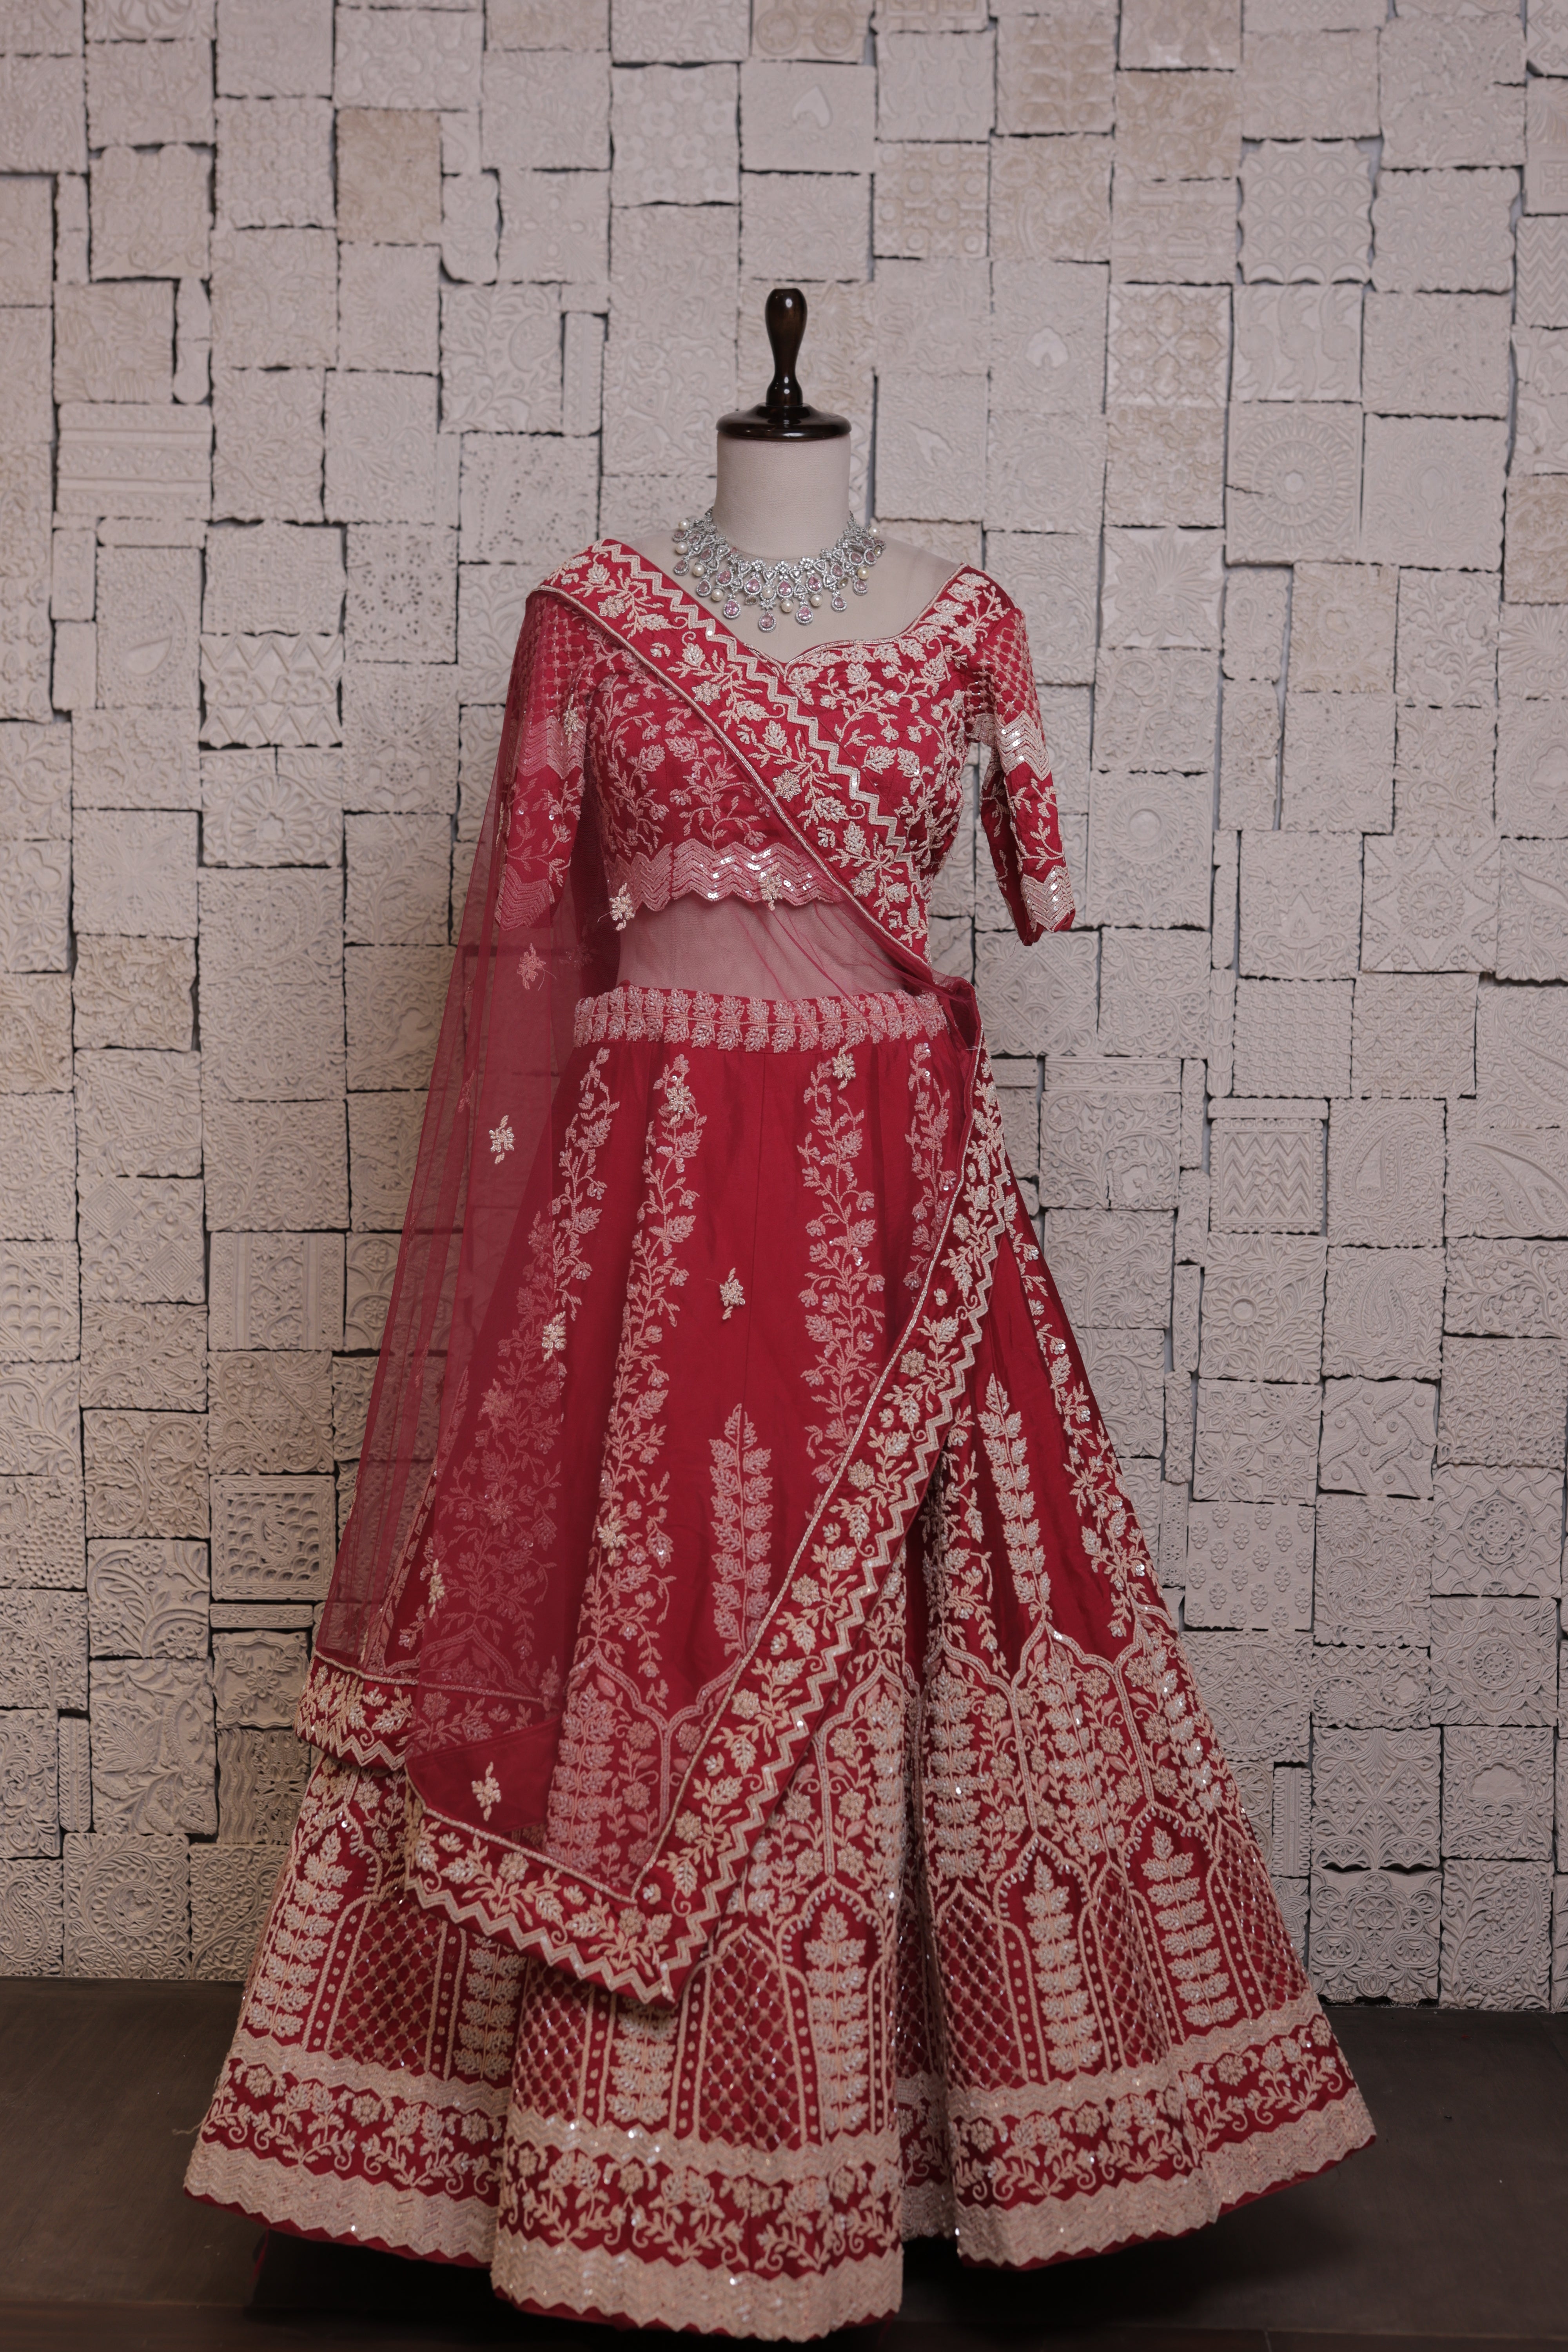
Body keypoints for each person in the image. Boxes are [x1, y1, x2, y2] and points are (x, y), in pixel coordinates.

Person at [187, 303, 1371, 2337]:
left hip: (909, 1199)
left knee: (947, 1628)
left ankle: (940, 2128)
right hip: (646, 1194)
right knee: (631, 1610)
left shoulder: (970, 621)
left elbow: (1020, 884)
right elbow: (521, 962)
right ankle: (589, 2154)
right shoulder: (588, 616)